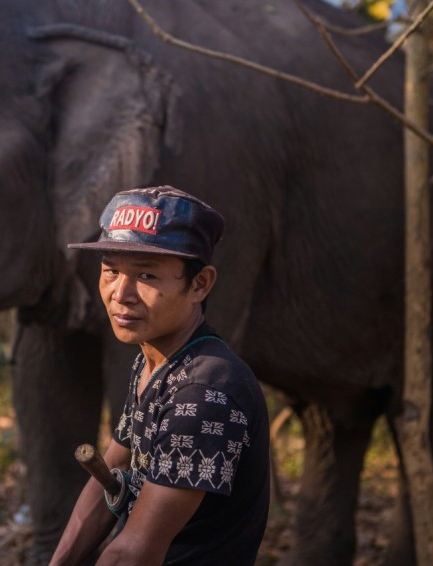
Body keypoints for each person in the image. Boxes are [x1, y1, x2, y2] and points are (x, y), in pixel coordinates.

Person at [50, 186, 270, 565]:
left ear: (199, 284)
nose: (121, 293)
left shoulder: (204, 392)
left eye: (146, 275)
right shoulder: (156, 361)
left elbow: (134, 554)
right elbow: (114, 466)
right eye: (111, 271)